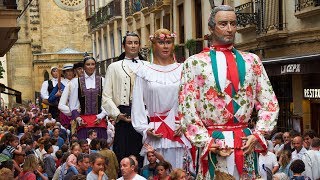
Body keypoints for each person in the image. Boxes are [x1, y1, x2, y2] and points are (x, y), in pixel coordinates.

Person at [178, 5, 279, 179]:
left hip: (245, 143)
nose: (230, 28)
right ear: (211, 28)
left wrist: (258, 134)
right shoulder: (193, 64)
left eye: (233, 23)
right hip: (214, 145)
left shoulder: (252, 61)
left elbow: (269, 103)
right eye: (223, 24)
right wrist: (206, 142)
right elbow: (186, 110)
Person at [131, 29, 191, 169]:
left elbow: (190, 101)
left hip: (178, 132)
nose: (165, 46)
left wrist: (185, 124)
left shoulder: (183, 70)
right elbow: (138, 104)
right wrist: (145, 129)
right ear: (153, 44)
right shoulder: (144, 72)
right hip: (156, 133)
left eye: (168, 42)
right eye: (161, 42)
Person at [102, 32, 146, 168]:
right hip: (123, 115)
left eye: (136, 43)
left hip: (144, 114)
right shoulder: (114, 67)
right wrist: (117, 115)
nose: (133, 46)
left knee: (144, 154)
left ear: (139, 45)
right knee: (124, 155)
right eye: (129, 43)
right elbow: (106, 96)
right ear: (124, 46)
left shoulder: (148, 66)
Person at [59, 56, 108, 140]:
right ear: (84, 67)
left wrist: (102, 115)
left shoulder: (102, 80)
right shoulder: (75, 82)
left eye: (92, 64)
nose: (90, 66)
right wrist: (76, 116)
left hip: (99, 122)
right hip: (83, 123)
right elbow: (71, 105)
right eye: (88, 64)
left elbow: (107, 101)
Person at [48, 63, 76, 128]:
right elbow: (50, 99)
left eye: (71, 70)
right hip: (65, 113)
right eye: (67, 71)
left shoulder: (78, 82)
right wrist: (57, 95)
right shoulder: (60, 84)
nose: (69, 73)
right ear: (64, 73)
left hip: (77, 112)